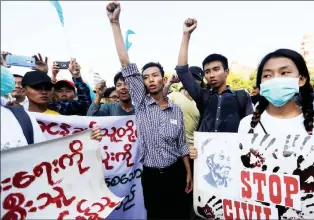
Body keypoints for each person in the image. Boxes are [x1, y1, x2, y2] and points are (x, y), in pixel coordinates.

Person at [107, 2, 192, 219]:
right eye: (145, 77)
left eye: (154, 75)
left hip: (176, 173)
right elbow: (125, 63)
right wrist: (115, 23)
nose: (149, 80)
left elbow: (182, 144)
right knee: (155, 215)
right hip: (151, 176)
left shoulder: (176, 110)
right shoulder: (142, 103)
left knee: (179, 214)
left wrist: (188, 173)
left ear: (163, 80)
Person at [175, 18, 253, 134]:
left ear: (226, 72)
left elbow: (250, 127)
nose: (211, 75)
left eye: (216, 70)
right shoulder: (202, 95)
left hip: (233, 150)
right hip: (204, 150)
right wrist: (186, 34)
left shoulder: (241, 97)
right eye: (207, 72)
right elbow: (182, 71)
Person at [236, 49, 314, 136]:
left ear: (301, 80)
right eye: (267, 75)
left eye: (284, 73)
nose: (275, 79)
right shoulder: (246, 125)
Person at [1, 64, 103, 151]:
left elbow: (84, 104)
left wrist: (88, 139)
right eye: (37, 87)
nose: (44, 92)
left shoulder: (60, 113)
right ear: (24, 90)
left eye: (48, 88)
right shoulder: (13, 117)